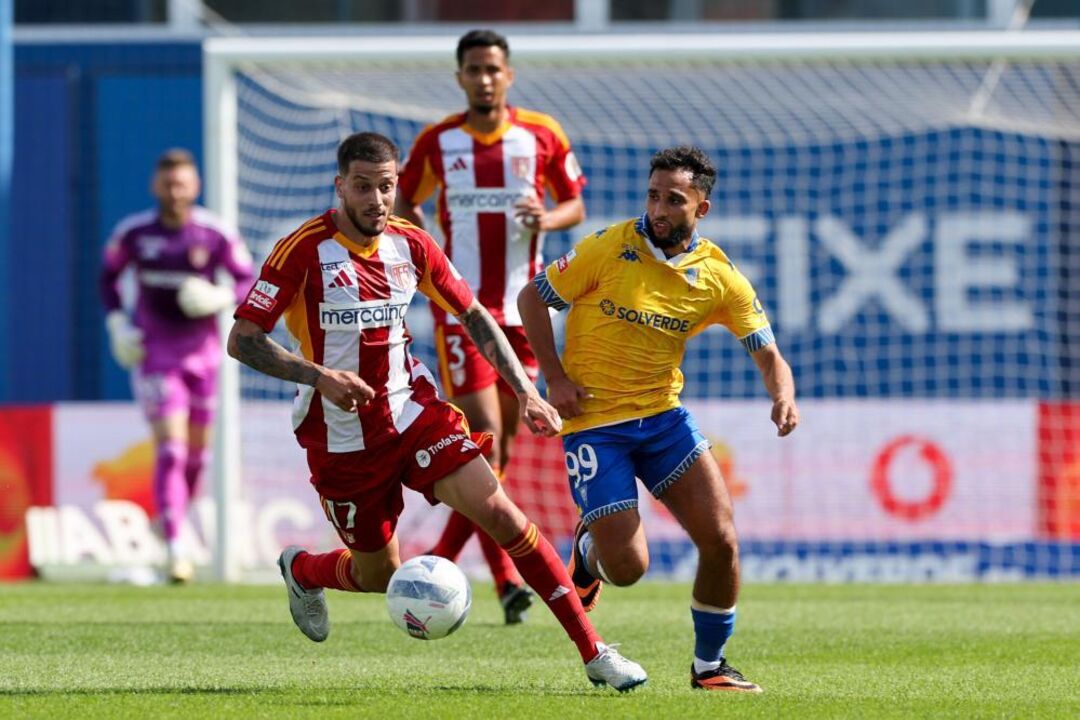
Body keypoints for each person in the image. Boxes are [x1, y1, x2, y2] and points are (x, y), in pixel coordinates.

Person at [228, 131, 646, 692]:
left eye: (386, 186)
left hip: (412, 413)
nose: (377, 199)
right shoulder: (303, 249)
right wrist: (320, 376)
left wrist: (526, 390)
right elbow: (243, 340)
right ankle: (303, 569)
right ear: (340, 187)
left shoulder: (412, 244)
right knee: (378, 574)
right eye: (362, 187)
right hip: (341, 436)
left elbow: (474, 315)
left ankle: (594, 651)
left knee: (503, 514)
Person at [518, 146, 800, 693]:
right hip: (595, 423)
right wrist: (554, 378)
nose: (658, 210)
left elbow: (768, 354)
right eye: (653, 196)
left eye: (674, 200)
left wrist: (783, 396)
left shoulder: (718, 276)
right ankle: (589, 551)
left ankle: (710, 667)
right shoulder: (608, 246)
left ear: (702, 208)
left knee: (721, 540)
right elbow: (533, 298)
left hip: (663, 419)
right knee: (627, 569)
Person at [395, 29, 589, 625]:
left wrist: (546, 217)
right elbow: (404, 202)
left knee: (497, 454)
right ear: (460, 77)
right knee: (480, 439)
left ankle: (486, 579)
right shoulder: (437, 141)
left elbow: (575, 204)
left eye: (493, 69)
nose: (484, 78)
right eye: (474, 69)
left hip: (525, 311)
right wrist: (430, 252)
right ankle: (448, 573)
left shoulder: (541, 133)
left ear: (509, 75)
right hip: (464, 314)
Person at [100, 148, 255, 583]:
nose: (174, 192)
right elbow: (108, 277)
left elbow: (247, 279)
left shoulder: (214, 233)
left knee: (197, 456)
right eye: (168, 184)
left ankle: (171, 519)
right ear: (156, 186)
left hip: (204, 356)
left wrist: (221, 297)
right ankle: (175, 547)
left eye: (182, 184)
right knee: (172, 447)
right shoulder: (134, 234)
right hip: (156, 353)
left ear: (195, 187)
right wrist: (116, 324)